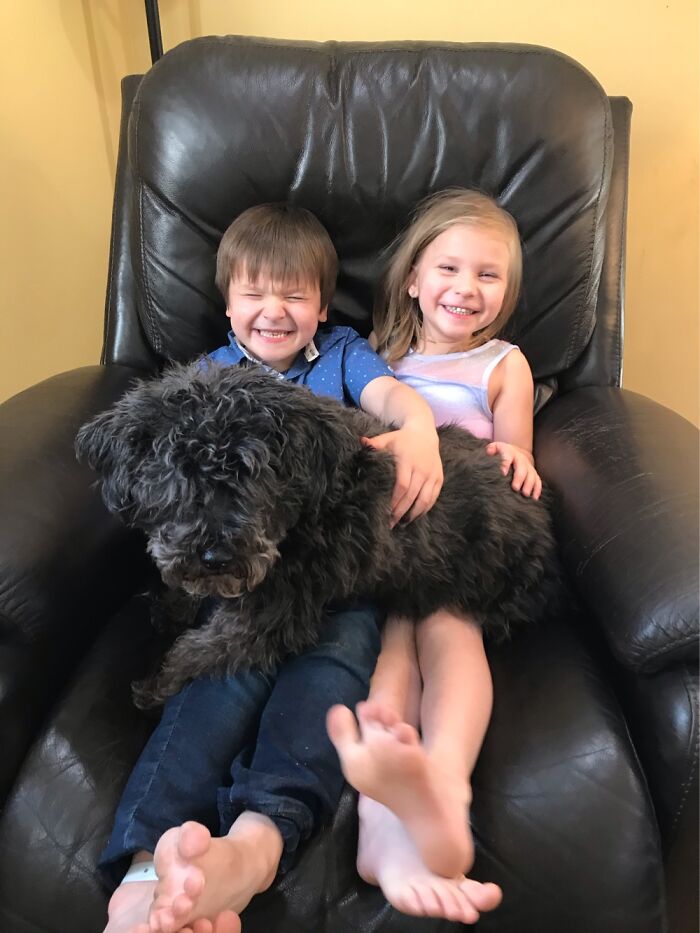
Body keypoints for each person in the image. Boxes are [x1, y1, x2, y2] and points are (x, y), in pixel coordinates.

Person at [101, 203, 498, 933]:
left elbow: (392, 397)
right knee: (218, 685)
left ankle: (257, 842)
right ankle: (142, 874)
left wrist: (418, 429)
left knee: (329, 673)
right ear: (227, 304)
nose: (274, 310)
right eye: (254, 292)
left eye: (295, 295)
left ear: (323, 307)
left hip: (342, 568)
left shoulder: (342, 357)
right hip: (259, 572)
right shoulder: (202, 381)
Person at [327, 188, 541, 917]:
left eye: (488, 275)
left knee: (450, 632)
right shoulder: (378, 358)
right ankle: (383, 817)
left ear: (507, 292)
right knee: (389, 650)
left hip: (459, 540)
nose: (466, 287)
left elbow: (515, 450)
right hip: (391, 539)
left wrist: (516, 457)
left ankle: (446, 777)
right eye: (449, 268)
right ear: (414, 279)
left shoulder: (502, 364)